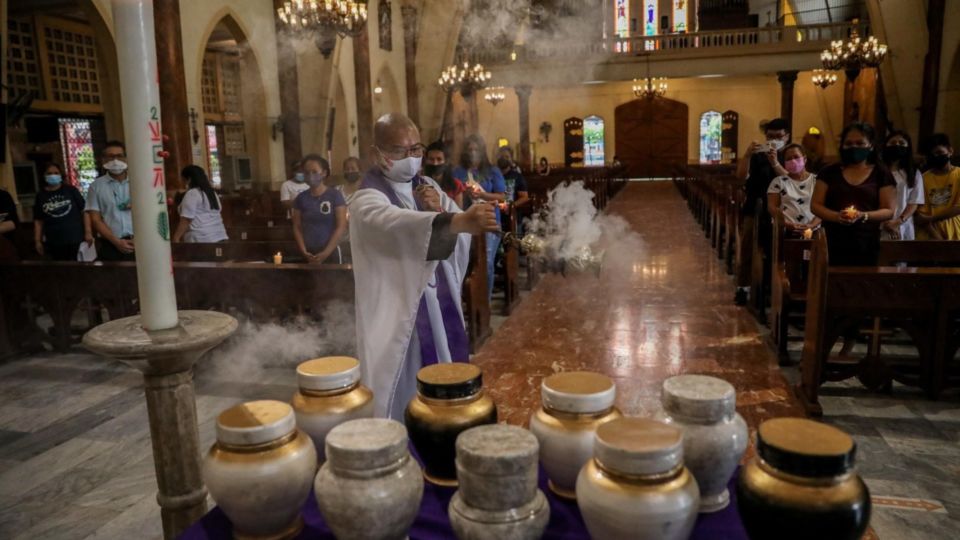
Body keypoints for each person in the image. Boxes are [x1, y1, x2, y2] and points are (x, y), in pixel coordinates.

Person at [350, 113, 498, 419]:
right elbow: (392, 225)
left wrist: (441, 210)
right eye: (399, 151)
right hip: (399, 312)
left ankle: (446, 425)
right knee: (403, 386)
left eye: (416, 149)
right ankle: (401, 443)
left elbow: (458, 228)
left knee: (445, 371)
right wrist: (453, 220)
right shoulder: (366, 199)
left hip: (437, 304)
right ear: (376, 153)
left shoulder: (428, 184)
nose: (410, 158)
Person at [811, 122, 895, 358]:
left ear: (870, 146)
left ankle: (848, 343)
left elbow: (889, 210)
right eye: (849, 144)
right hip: (832, 241)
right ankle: (821, 345)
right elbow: (816, 204)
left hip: (865, 243)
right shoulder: (830, 171)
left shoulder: (881, 173)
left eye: (860, 144)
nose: (854, 147)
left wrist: (863, 216)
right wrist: (837, 217)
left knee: (856, 295)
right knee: (829, 294)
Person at [734, 117, 790, 305]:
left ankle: (774, 287)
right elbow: (741, 177)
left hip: (784, 209)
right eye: (770, 136)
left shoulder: (791, 154)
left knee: (780, 249)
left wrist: (775, 162)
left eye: (778, 136)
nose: (774, 140)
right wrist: (747, 155)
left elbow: (793, 181)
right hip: (755, 206)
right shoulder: (758, 155)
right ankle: (743, 287)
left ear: (787, 137)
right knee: (749, 246)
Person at [454, 134, 506, 299]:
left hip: (489, 223)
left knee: (485, 263)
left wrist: (482, 194)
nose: (472, 152)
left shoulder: (492, 171)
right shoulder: (457, 171)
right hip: (465, 222)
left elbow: (501, 197)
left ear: (482, 152)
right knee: (466, 263)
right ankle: (469, 302)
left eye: (476, 149)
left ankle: (485, 302)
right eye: (469, 149)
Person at [85, 141, 135, 261]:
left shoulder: (139, 181)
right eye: (111, 157)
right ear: (103, 160)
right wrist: (116, 242)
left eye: (119, 156)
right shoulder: (96, 186)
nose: (116, 160)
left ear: (126, 158)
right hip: (111, 244)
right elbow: (96, 220)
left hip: (139, 242)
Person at [292, 154, 347, 263]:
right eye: (307, 173)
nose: (310, 175)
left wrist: (326, 253)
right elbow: (297, 226)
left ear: (324, 173)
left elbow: (341, 226)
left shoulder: (335, 195)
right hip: (308, 252)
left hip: (331, 251)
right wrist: (304, 251)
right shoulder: (300, 198)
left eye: (314, 172)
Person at [33, 163, 87, 260]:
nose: (53, 175)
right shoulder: (40, 195)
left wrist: (88, 232)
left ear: (61, 175)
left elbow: (84, 211)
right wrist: (37, 240)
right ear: (44, 176)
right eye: (49, 173)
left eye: (56, 173)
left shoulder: (71, 190)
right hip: (54, 241)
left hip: (75, 238)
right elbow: (38, 220)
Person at [880, 131, 924, 240]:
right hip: (879, 223)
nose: (897, 145)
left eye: (901, 143)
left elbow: (914, 201)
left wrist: (897, 222)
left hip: (903, 224)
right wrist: (886, 222)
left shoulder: (913, 173)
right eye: (893, 142)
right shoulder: (878, 171)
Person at [766, 144, 820, 234]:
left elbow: (822, 207)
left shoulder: (817, 181)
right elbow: (772, 207)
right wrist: (785, 223)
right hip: (785, 231)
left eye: (796, 157)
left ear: (805, 159)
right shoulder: (778, 182)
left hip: (813, 231)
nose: (793, 161)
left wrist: (811, 225)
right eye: (789, 159)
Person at [915, 134, 960, 240]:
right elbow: (921, 216)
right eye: (932, 154)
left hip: (956, 232)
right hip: (930, 234)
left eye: (940, 152)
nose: (936, 156)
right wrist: (937, 238)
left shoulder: (958, 174)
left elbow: (958, 208)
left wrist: (931, 218)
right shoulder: (923, 178)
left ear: (950, 151)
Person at [172, 165, 228, 243]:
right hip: (220, 236)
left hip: (201, 240)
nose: (183, 183)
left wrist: (176, 238)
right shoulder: (212, 193)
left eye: (183, 180)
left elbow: (186, 219)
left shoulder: (192, 193)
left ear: (189, 179)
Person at [424, 142, 466, 207]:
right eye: (431, 159)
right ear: (426, 160)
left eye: (439, 159)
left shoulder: (456, 185)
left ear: (446, 162)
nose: (435, 163)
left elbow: (459, 213)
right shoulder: (420, 182)